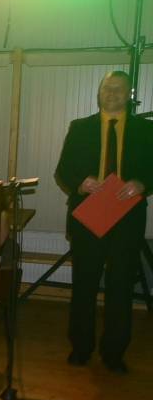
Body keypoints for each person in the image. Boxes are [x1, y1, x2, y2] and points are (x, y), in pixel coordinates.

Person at [55, 71, 153, 375]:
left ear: (129, 95)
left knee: (121, 285)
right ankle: (81, 347)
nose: (112, 93)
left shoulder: (146, 130)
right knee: (84, 282)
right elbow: (63, 170)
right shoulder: (80, 127)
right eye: (107, 88)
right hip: (89, 213)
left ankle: (114, 352)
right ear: (99, 93)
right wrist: (80, 182)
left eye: (119, 88)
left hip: (128, 216)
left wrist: (142, 183)